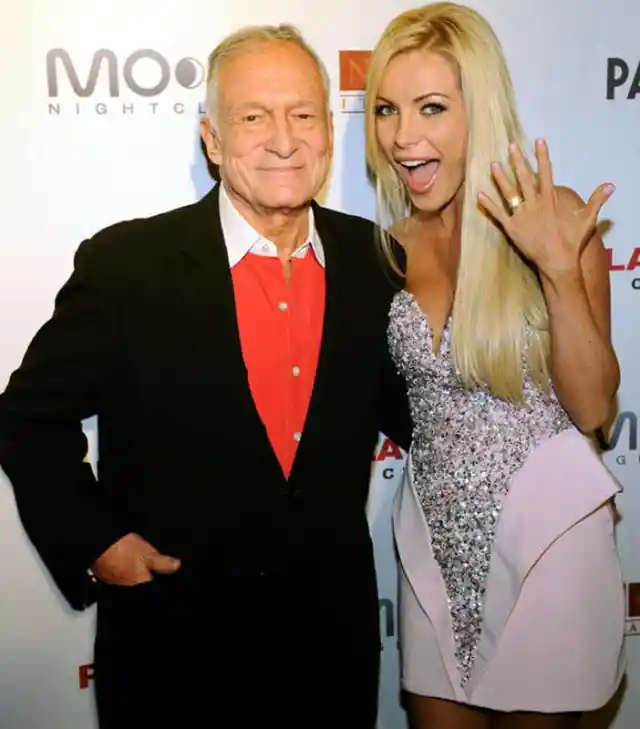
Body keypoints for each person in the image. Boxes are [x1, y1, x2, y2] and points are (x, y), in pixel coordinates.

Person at [0, 24, 411, 729]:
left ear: (327, 131)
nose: (283, 140)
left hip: (328, 658)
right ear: (213, 140)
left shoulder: (378, 262)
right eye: (253, 117)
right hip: (172, 657)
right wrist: (94, 539)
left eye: (302, 114)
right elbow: (26, 417)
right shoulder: (128, 267)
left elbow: (426, 418)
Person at [364, 3, 625, 728]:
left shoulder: (553, 218)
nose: (403, 136)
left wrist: (558, 270)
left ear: (479, 110)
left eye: (431, 107)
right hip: (433, 546)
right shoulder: (386, 249)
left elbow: (595, 409)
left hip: (549, 539)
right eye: (386, 109)